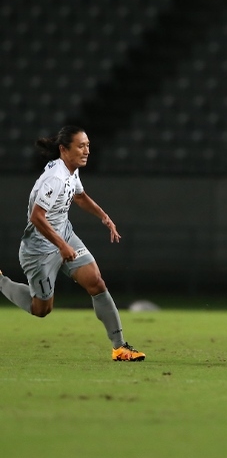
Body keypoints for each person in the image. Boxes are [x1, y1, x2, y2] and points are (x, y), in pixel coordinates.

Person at [0, 126, 145, 361]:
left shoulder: (71, 171)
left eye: (87, 145)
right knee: (41, 309)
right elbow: (37, 217)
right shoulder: (55, 178)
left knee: (96, 282)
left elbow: (79, 196)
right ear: (64, 149)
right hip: (40, 249)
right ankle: (1, 282)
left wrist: (104, 216)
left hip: (64, 236)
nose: (87, 151)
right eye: (81, 146)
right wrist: (62, 246)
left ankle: (120, 348)